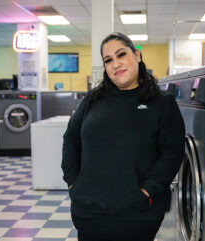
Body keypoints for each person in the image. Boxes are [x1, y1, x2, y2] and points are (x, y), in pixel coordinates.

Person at [62, 32, 185, 241]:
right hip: (89, 211)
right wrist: (73, 182)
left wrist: (147, 190)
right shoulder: (93, 99)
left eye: (121, 55)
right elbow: (71, 139)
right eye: (108, 60)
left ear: (137, 55)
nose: (115, 64)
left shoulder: (162, 103)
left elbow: (173, 152)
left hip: (137, 215)